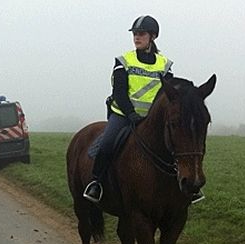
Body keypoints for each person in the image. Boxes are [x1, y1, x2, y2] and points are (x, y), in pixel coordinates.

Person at [83, 16, 204, 204]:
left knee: (178, 145)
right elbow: (120, 93)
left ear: (152, 37)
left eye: (141, 34)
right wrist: (131, 114)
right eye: (135, 34)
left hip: (153, 118)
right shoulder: (124, 61)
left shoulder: (164, 64)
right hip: (124, 115)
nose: (137, 37)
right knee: (107, 143)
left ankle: (189, 186)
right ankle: (96, 183)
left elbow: (169, 93)